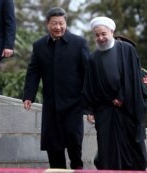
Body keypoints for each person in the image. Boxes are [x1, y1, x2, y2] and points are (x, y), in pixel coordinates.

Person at [23, 7, 89, 169]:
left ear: (66, 23)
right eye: (54, 24)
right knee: (53, 147)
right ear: (47, 24)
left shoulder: (79, 43)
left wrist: (89, 106)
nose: (58, 27)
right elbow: (33, 72)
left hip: (74, 105)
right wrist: (28, 95)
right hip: (51, 106)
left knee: (75, 146)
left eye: (61, 23)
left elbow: (89, 75)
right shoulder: (39, 46)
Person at [83, 16, 147, 170]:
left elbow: (134, 79)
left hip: (127, 110)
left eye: (103, 34)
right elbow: (89, 86)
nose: (100, 38)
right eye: (97, 35)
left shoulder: (127, 50)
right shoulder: (93, 58)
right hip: (105, 112)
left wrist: (122, 97)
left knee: (134, 152)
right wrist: (90, 110)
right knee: (107, 152)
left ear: (111, 31)